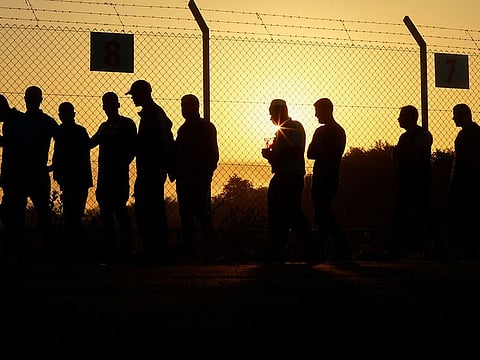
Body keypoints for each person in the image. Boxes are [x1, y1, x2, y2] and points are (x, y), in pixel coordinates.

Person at [126, 80, 175, 265]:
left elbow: (160, 142)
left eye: (134, 95)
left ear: (143, 94)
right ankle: (156, 250)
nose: (132, 98)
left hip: (151, 169)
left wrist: (161, 165)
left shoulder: (152, 114)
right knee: (152, 209)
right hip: (152, 168)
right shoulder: (153, 113)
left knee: (149, 209)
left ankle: (155, 251)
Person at [261, 99, 313, 263]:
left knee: (290, 214)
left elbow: (295, 152)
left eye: (271, 114)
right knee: (284, 214)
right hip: (285, 176)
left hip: (289, 176)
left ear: (279, 112)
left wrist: (273, 156)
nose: (270, 118)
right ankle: (280, 250)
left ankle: (309, 248)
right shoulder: (284, 130)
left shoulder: (294, 128)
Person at [90, 92, 137, 264]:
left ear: (117, 105)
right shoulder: (104, 126)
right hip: (105, 176)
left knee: (118, 210)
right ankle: (112, 250)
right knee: (108, 213)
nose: (107, 107)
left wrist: (123, 161)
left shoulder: (126, 124)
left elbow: (133, 147)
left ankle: (124, 249)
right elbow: (91, 143)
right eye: (105, 104)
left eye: (110, 103)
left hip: (117, 176)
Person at [174, 94, 219, 262]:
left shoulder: (200, 127)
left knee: (199, 214)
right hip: (187, 177)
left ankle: (207, 250)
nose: (183, 109)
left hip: (196, 177)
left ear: (195, 107)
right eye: (182, 106)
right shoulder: (186, 128)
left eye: (186, 106)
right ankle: (195, 251)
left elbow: (212, 155)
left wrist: (205, 173)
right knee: (189, 214)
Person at [307, 98, 349, 262]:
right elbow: (311, 153)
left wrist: (321, 150)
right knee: (321, 212)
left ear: (326, 111)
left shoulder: (333, 132)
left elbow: (325, 154)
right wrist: (323, 150)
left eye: (317, 111)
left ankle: (338, 244)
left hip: (327, 176)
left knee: (322, 212)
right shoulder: (334, 132)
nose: (316, 115)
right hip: (323, 176)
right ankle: (323, 249)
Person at [52, 102, 93, 263]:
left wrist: (57, 172)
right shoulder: (71, 132)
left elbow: (62, 156)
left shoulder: (71, 132)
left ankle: (75, 252)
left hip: (76, 179)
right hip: (74, 179)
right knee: (72, 216)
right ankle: (76, 251)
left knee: (73, 216)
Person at [391, 105, 433, 260]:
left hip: (418, 182)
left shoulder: (423, 134)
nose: (399, 119)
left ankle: (428, 249)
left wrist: (403, 152)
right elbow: (397, 155)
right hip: (406, 181)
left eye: (401, 116)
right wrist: (404, 152)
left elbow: (411, 154)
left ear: (410, 118)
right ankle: (397, 250)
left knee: (421, 216)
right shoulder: (406, 137)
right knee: (401, 216)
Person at [446, 103, 480, 260]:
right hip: (467, 182)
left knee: (465, 216)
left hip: (467, 182)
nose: (453, 118)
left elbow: (461, 162)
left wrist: (454, 182)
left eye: (455, 114)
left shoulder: (469, 135)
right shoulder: (470, 133)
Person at [0, 94, 24, 263]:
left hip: (16, 173)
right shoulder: (13, 120)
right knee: (11, 211)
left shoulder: (15, 122)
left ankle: (16, 250)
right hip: (12, 173)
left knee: (12, 211)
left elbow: (13, 144)